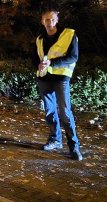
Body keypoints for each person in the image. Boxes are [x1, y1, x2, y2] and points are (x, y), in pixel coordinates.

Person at [32, 10, 82, 161]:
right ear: (42, 22)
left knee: (65, 113)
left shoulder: (69, 34)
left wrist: (51, 63)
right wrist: (38, 65)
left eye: (52, 19)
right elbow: (35, 58)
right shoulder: (40, 39)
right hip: (44, 78)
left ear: (57, 20)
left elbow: (74, 56)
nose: (49, 22)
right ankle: (55, 140)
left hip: (61, 78)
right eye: (46, 20)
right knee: (49, 111)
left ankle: (74, 147)